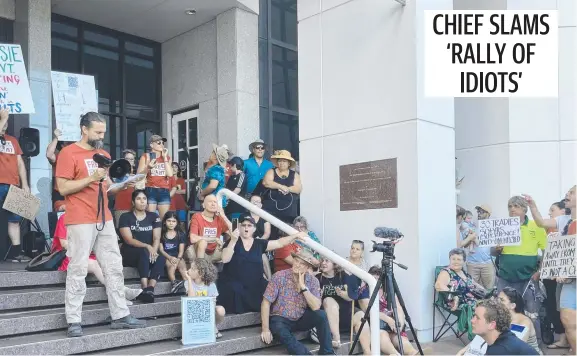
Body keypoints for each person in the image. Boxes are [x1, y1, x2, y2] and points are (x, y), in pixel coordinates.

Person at [55, 112, 145, 337]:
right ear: (84, 129)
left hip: (103, 218)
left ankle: (120, 315)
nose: (101, 135)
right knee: (77, 268)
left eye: (103, 131)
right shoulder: (68, 153)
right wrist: (91, 178)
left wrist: (123, 185)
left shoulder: (103, 154)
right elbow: (63, 188)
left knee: (114, 266)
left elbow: (106, 187)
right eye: (97, 131)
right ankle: (74, 320)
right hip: (79, 218)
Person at [523, 186, 576, 352]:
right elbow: (541, 222)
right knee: (567, 319)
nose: (567, 194)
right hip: (567, 280)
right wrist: (532, 205)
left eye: (572, 192)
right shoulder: (563, 221)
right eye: (568, 192)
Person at [218, 215, 305, 314]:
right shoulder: (231, 242)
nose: (246, 228)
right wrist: (233, 240)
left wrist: (295, 235)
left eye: (249, 225)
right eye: (243, 225)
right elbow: (225, 259)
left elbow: (279, 243)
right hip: (236, 283)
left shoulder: (259, 243)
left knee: (269, 288)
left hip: (255, 284)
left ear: (254, 229)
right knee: (233, 288)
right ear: (239, 227)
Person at [51, 213, 142, 305]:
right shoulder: (66, 217)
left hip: (89, 256)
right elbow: (64, 244)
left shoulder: (90, 218)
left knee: (106, 263)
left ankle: (120, 294)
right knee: (94, 264)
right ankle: (122, 293)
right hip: (69, 256)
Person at [260, 249, 334, 355]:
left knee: (321, 315)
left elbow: (316, 307)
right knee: (279, 328)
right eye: (296, 261)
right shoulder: (279, 276)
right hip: (281, 319)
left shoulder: (313, 281)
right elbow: (266, 302)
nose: (298, 265)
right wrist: (265, 329)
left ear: (307, 267)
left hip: (300, 317)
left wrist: (303, 287)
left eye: (302, 264)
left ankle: (327, 353)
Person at [493, 196, 547, 326]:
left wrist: (540, 271)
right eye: (510, 207)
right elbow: (493, 253)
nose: (512, 209)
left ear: (525, 209)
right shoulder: (502, 226)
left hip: (528, 277)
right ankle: (504, 342)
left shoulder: (537, 227)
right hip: (505, 276)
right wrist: (497, 249)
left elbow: (546, 252)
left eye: (516, 206)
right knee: (502, 311)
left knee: (531, 311)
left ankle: (534, 344)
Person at [354, 265, 419, 355]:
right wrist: (388, 320)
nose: (376, 282)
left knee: (399, 338)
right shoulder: (363, 291)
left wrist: (399, 322)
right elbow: (367, 310)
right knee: (382, 335)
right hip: (376, 323)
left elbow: (398, 307)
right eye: (373, 279)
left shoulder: (386, 290)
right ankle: (395, 354)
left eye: (378, 279)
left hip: (391, 324)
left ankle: (413, 353)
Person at [118, 190, 166, 303]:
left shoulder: (153, 216)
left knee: (161, 257)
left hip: (148, 253)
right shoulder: (125, 217)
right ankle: (144, 287)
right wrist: (147, 247)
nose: (142, 201)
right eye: (139, 199)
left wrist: (153, 250)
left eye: (144, 199)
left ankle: (150, 288)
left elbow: (156, 238)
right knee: (144, 251)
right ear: (133, 202)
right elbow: (128, 240)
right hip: (130, 253)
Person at [0, 109, 30, 262]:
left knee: (14, 219)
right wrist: (2, 118)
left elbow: (19, 163)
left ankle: (16, 253)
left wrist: (25, 184)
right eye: (2, 121)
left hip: (13, 185)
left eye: (6, 121)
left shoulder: (12, 140)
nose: (5, 124)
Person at [470, 298, 539, 355]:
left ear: (492, 325)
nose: (472, 320)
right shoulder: (504, 337)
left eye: (477, 318)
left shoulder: (501, 350)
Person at [317, 258, 355, 349]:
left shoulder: (342, 275)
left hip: (345, 313)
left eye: (327, 261)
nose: (323, 263)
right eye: (322, 261)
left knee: (361, 315)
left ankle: (368, 351)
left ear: (334, 264)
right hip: (328, 315)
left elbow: (350, 298)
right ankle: (336, 338)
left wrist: (341, 293)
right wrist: (318, 295)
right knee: (329, 300)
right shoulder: (317, 278)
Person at [185, 258, 226, 338]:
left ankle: (213, 327)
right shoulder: (188, 283)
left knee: (220, 310)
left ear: (200, 273)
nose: (189, 270)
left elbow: (213, 303)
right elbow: (191, 300)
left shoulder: (211, 285)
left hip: (207, 309)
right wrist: (189, 280)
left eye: (192, 269)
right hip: (193, 310)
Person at [185, 194, 234, 262]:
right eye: (210, 201)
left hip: (215, 252)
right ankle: (201, 268)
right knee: (203, 242)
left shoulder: (219, 218)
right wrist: (214, 239)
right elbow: (193, 238)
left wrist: (223, 215)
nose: (213, 204)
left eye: (215, 202)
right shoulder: (197, 216)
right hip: (198, 252)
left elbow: (235, 233)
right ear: (203, 205)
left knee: (232, 249)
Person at [137, 134, 173, 220]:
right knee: (150, 218)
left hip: (164, 190)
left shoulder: (167, 157)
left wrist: (164, 158)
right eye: (158, 143)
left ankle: (161, 234)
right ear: (151, 145)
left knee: (164, 219)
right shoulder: (146, 156)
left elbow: (170, 174)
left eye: (162, 143)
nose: (161, 144)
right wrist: (148, 167)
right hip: (150, 189)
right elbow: (138, 175)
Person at [262, 150, 302, 226]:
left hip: (289, 212)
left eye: (284, 161)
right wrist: (280, 186)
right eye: (280, 161)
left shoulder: (294, 174)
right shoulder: (271, 171)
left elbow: (298, 188)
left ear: (289, 163)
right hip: (271, 210)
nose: (282, 163)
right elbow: (266, 182)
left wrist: (288, 189)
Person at [460, 204, 494, 290]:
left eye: (482, 212)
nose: (479, 213)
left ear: (488, 214)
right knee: (472, 290)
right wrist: (469, 238)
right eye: (478, 211)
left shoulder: (494, 228)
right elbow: (464, 245)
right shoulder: (471, 227)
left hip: (488, 263)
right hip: (472, 264)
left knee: (489, 290)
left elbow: (496, 248)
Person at [158, 211, 188, 294]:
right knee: (171, 267)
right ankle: (174, 283)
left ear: (177, 223)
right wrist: (170, 258)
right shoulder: (161, 234)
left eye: (174, 221)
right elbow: (161, 250)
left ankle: (188, 285)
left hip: (177, 256)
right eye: (169, 221)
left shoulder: (180, 234)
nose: (171, 223)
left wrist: (178, 259)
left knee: (182, 267)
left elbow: (181, 251)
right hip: (166, 256)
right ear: (164, 222)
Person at [46, 128, 72, 212]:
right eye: (68, 143)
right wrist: (56, 137)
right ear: (62, 145)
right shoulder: (59, 157)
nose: (72, 145)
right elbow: (49, 155)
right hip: (61, 194)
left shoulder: (78, 157)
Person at [113, 149, 138, 226]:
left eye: (131, 159)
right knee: (121, 232)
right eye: (127, 159)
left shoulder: (137, 174)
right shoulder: (117, 172)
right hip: (121, 207)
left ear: (134, 162)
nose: (129, 161)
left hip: (135, 208)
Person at [169, 162, 187, 228]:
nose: (174, 168)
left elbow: (184, 191)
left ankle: (182, 238)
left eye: (175, 167)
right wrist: (177, 190)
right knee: (171, 224)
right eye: (172, 166)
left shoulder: (181, 180)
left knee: (181, 223)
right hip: (170, 205)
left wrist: (172, 191)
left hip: (180, 205)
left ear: (178, 170)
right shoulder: (167, 180)